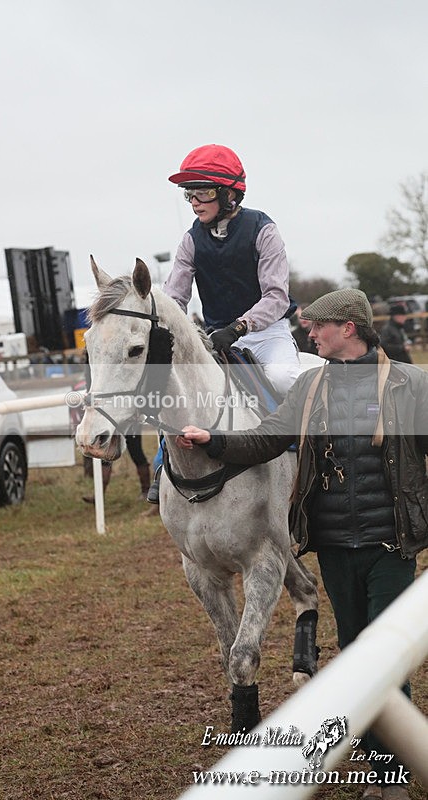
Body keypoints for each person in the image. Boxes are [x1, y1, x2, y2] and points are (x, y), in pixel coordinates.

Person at [178, 288, 427, 800]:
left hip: (390, 544)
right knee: (358, 654)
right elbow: (268, 439)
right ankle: (380, 763)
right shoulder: (311, 385)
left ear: (348, 329)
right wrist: (214, 442)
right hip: (333, 544)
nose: (308, 334)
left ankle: (391, 777)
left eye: (317, 327)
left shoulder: (410, 384)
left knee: (386, 655)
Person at [148, 143, 300, 503]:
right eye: (190, 194)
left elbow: (276, 296)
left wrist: (241, 327)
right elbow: (175, 297)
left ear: (231, 194)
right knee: (175, 386)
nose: (196, 201)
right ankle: (161, 465)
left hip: (266, 333)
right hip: (216, 338)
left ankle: (311, 458)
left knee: (283, 378)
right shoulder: (190, 240)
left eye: (204, 191)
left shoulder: (263, 229)